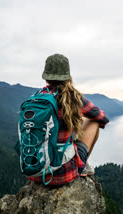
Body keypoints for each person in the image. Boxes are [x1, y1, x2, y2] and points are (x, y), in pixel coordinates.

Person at [27, 53, 109, 185]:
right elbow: (102, 118)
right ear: (67, 75)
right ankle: (83, 166)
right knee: (93, 122)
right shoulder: (73, 98)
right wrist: (79, 115)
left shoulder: (35, 98)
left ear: (46, 77)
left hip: (36, 172)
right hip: (63, 174)